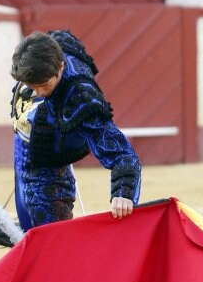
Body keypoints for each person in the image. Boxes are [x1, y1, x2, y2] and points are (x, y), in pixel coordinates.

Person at [10, 30, 141, 231]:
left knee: (50, 241)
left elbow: (123, 154)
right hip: (23, 148)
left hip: (50, 167)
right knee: (28, 233)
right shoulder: (46, 50)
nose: (39, 93)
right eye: (31, 86)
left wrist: (124, 191)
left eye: (44, 85)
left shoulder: (80, 97)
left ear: (61, 67)